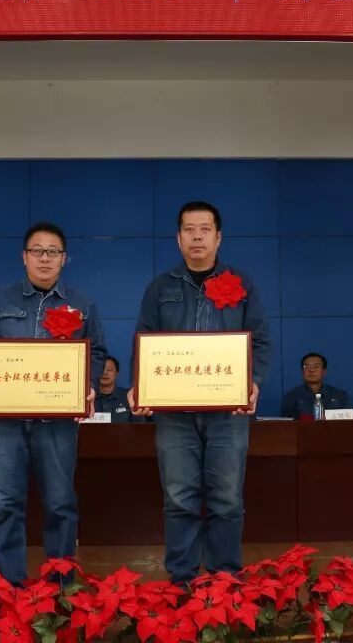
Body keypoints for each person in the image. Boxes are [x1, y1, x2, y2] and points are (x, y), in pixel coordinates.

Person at [130, 200, 271, 585]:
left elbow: (259, 340)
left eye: (205, 229)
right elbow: (143, 340)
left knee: (227, 498)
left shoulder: (242, 285)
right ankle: (182, 581)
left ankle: (225, 579)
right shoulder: (160, 287)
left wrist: (254, 380)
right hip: (174, 415)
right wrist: (140, 385)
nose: (197, 237)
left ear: (218, 237)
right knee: (179, 498)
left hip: (228, 413)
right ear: (178, 238)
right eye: (189, 230)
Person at [0, 222, 107, 586]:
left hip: (57, 422)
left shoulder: (82, 304)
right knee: (6, 503)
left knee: (60, 503)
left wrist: (88, 385)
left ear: (64, 258)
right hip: (5, 423)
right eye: (37, 251)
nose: (45, 258)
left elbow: (96, 351)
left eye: (53, 252)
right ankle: (10, 585)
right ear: (24, 257)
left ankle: (61, 587)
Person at [281, 352, 349, 418]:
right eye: (307, 367)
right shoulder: (291, 398)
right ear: (302, 372)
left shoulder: (338, 396)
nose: (312, 370)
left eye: (316, 366)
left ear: (324, 372)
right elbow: (286, 424)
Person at [94, 356, 140, 422]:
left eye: (109, 370)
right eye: (101, 369)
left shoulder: (128, 396)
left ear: (116, 373)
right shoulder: (89, 398)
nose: (104, 373)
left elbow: (139, 425)